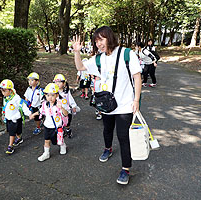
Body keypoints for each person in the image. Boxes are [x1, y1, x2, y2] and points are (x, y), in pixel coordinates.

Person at [72, 26, 142, 185]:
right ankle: (108, 148)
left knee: (123, 137)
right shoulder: (98, 59)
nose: (98, 44)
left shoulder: (126, 53)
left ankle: (125, 169)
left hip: (125, 105)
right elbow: (80, 67)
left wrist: (136, 100)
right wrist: (77, 51)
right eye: (96, 41)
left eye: (101, 39)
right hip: (107, 104)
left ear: (109, 38)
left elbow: (137, 77)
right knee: (107, 129)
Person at [30, 83, 69, 162]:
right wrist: (33, 114)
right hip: (47, 126)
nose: (50, 98)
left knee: (58, 140)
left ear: (57, 95)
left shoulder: (59, 104)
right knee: (46, 140)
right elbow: (40, 111)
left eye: (52, 95)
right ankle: (46, 153)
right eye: (48, 95)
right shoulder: (45, 104)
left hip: (57, 126)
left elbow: (66, 114)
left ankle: (63, 145)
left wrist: (61, 108)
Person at [0, 79, 32, 154]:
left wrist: (29, 114)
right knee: (17, 132)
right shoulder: (6, 98)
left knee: (12, 133)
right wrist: (3, 114)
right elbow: (5, 107)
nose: (3, 93)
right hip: (8, 119)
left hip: (15, 119)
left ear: (11, 91)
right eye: (2, 91)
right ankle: (19, 138)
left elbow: (23, 106)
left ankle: (10, 146)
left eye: (4, 91)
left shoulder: (16, 98)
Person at [53, 74, 78, 138]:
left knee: (67, 122)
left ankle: (68, 129)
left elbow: (71, 99)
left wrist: (73, 106)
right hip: (57, 111)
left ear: (64, 83)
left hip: (66, 110)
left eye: (59, 82)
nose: (57, 84)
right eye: (56, 82)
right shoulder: (53, 93)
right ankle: (61, 131)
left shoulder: (66, 92)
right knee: (59, 122)